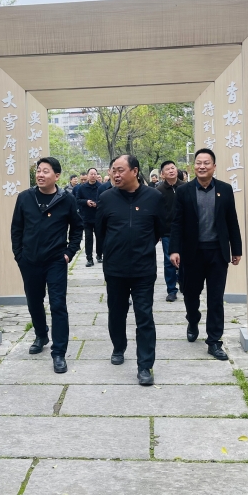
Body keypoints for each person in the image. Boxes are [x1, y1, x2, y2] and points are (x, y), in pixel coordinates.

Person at [96, 155, 164, 386]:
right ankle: (118, 346)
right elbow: (100, 231)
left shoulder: (154, 197)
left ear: (135, 171)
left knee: (144, 316)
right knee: (117, 312)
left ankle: (145, 366)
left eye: (120, 170)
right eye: (113, 170)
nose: (116, 175)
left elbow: (159, 230)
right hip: (115, 268)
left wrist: (141, 246)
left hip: (143, 268)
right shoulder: (106, 198)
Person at [11, 157, 83, 373]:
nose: (40, 175)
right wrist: (19, 256)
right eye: (38, 171)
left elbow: (77, 228)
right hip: (29, 261)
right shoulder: (25, 197)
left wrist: (69, 253)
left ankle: (59, 352)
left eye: (45, 171)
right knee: (34, 301)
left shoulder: (67, 200)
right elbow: (16, 228)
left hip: (55, 261)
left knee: (58, 304)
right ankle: (41, 335)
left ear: (57, 176)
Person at [169, 148, 242, 361]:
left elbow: (232, 221)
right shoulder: (184, 191)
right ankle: (193, 320)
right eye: (199, 163)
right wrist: (174, 249)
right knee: (191, 294)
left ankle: (214, 341)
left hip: (217, 252)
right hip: (192, 252)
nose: (202, 166)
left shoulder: (225, 190)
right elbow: (177, 222)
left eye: (206, 163)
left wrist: (236, 249)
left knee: (216, 298)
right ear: (194, 167)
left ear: (214, 166)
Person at [155, 160, 185, 302]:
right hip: (168, 231)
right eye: (167, 169)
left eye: (173, 168)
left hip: (185, 230)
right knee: (169, 261)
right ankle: (171, 290)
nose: (171, 171)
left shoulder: (185, 187)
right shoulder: (159, 191)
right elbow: (157, 212)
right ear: (162, 174)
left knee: (186, 259)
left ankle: (184, 284)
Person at [75, 167, 102, 266]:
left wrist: (97, 204)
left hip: (98, 216)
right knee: (88, 238)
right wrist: (86, 202)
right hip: (87, 217)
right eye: (91, 174)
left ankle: (99, 255)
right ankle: (89, 258)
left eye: (95, 174)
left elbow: (105, 200)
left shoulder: (101, 187)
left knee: (100, 237)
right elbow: (77, 200)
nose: (93, 175)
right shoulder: (82, 188)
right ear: (88, 175)